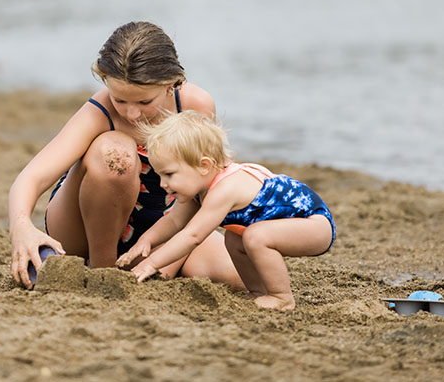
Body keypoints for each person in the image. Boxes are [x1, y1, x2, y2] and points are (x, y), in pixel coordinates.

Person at [8, 21, 245, 290]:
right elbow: (32, 177)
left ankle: (134, 267)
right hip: (82, 229)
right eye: (120, 99)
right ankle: (102, 269)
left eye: (145, 102)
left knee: (235, 277)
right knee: (116, 155)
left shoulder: (194, 106)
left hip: (159, 224)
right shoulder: (100, 112)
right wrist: (21, 226)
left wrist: (166, 260)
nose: (131, 114)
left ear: (171, 84)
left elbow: (203, 190)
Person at [116, 111, 335, 311]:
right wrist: (147, 241)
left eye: (170, 174)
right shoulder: (199, 188)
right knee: (233, 237)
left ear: (204, 165)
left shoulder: (225, 189)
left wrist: (151, 264)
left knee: (255, 237)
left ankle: (282, 297)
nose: (163, 184)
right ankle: (258, 291)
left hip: (315, 225)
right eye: (160, 175)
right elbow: (174, 222)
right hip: (289, 227)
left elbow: (192, 236)